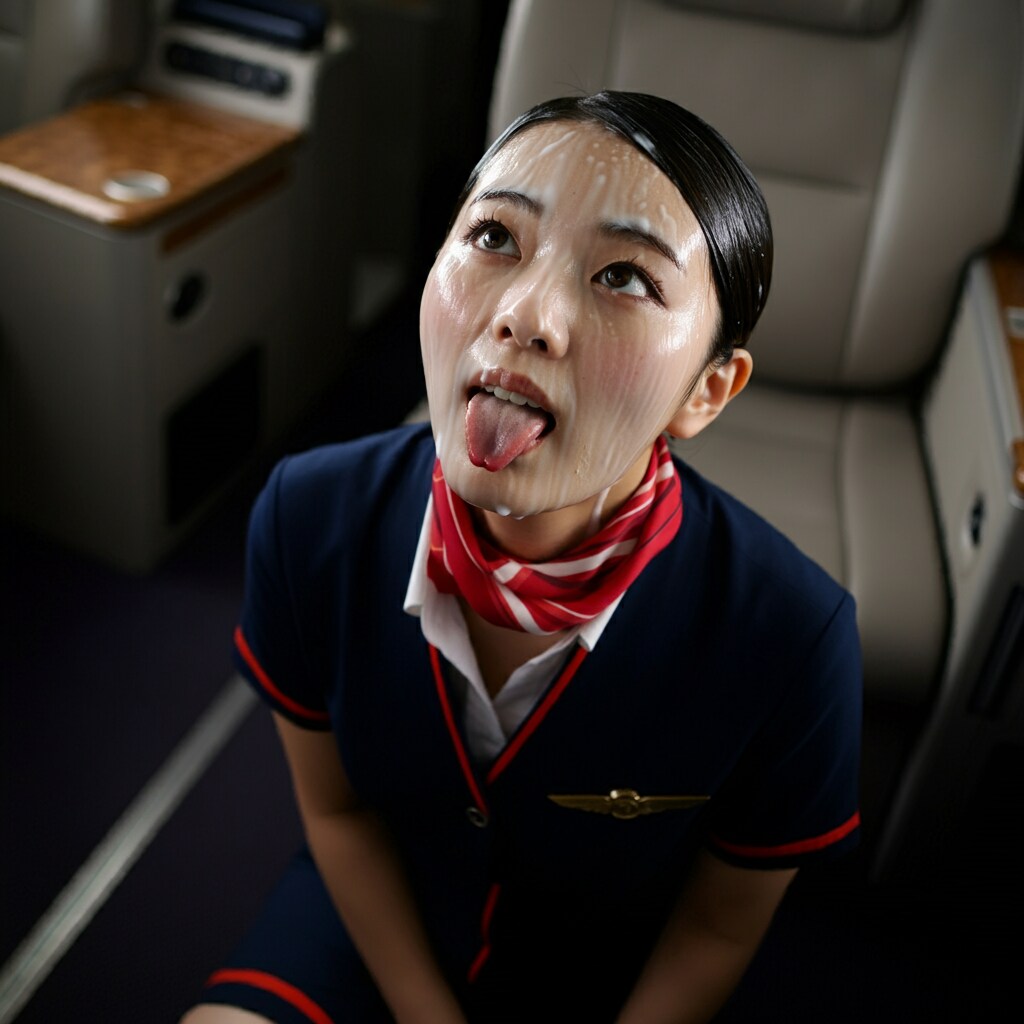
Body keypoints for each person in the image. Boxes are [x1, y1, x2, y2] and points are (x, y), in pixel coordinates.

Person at [181, 91, 862, 1024]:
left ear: (706, 391)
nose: (525, 315)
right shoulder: (308, 516)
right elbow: (338, 816)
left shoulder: (794, 638)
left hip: (603, 972)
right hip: (378, 921)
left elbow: (716, 930)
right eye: (495, 236)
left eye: (624, 277)